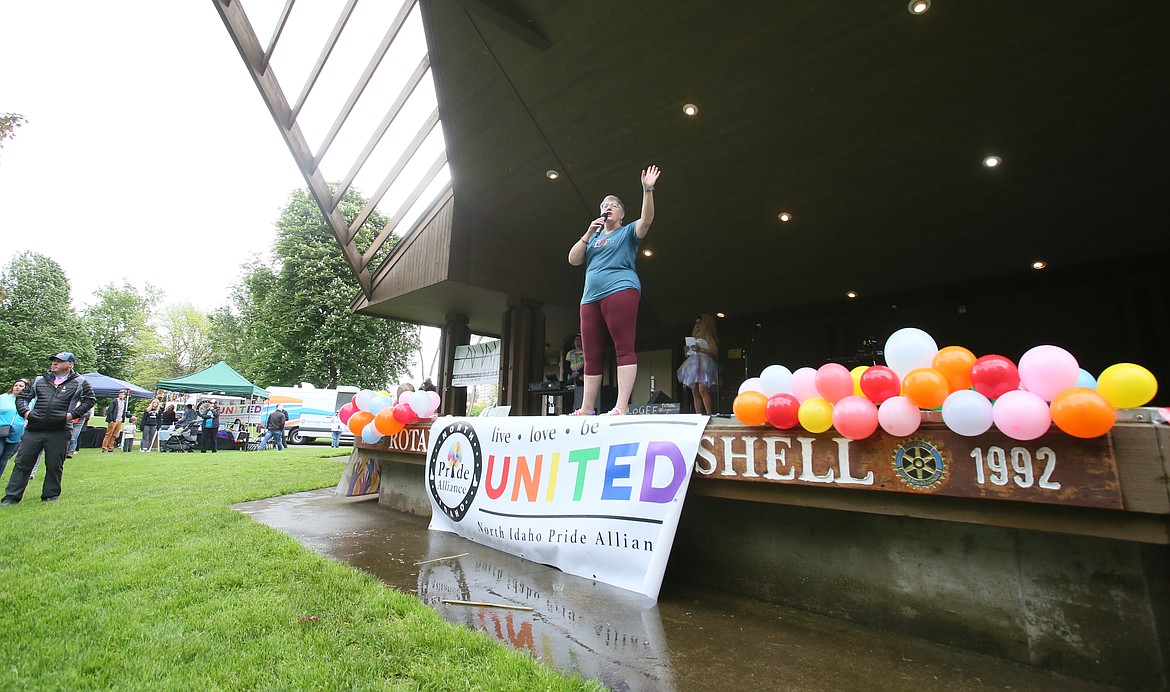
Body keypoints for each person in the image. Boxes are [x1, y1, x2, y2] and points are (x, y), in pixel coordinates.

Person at [566, 165, 660, 415]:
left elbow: (647, 219)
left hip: (620, 290)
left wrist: (647, 189)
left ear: (621, 214)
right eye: (603, 206)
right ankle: (587, 408)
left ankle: (620, 407)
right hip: (590, 298)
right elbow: (573, 259)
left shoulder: (628, 231)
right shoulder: (594, 238)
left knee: (623, 347)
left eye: (612, 206)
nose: (607, 208)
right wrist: (588, 233)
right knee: (590, 353)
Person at [2, 352, 96, 505]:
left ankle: (50, 496)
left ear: (70, 364)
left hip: (60, 429)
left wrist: (71, 415)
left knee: (54, 465)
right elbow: (23, 397)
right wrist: (26, 413)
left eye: (59, 361)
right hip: (35, 428)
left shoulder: (80, 382)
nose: (54, 363)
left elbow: (90, 400)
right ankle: (11, 497)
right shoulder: (39, 380)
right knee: (22, 463)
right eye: (53, 361)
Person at [677, 314, 720, 415]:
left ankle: (709, 414)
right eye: (696, 323)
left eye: (700, 323)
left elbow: (714, 351)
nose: (697, 326)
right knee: (694, 390)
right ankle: (698, 414)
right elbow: (689, 356)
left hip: (704, 364)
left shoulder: (708, 336)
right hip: (693, 364)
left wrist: (700, 349)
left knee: (702, 389)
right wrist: (687, 351)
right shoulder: (693, 337)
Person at [0, 378, 29, 478]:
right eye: (16, 385)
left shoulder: (28, 401)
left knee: (5, 457)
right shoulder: (3, 398)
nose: (18, 387)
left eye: (21, 386)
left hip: (16, 432)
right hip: (1, 429)